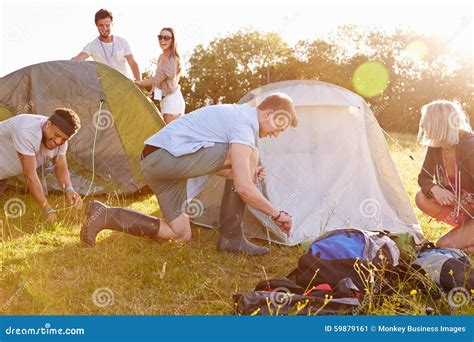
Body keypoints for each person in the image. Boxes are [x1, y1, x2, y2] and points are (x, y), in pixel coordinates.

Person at [81, 93, 297, 255]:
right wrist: (277, 215)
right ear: (269, 114)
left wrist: (240, 172)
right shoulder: (244, 124)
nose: (276, 134)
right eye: (280, 127)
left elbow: (217, 170)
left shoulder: (237, 115)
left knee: (180, 234)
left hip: (160, 165)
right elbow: (243, 187)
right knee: (252, 155)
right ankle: (232, 239)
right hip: (162, 158)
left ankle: (105, 215)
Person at [0, 108, 83, 222]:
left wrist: (69, 189)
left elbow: (60, 167)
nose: (58, 142)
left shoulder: (60, 138)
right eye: (56, 135)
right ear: (48, 124)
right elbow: (30, 174)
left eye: (63, 139)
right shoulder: (26, 131)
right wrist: (47, 209)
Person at [415, 100, 474, 253]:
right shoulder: (436, 146)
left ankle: (468, 242)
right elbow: (423, 177)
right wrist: (434, 188)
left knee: (443, 245)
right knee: (422, 198)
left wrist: (466, 203)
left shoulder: (470, 146)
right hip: (465, 209)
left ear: (439, 124)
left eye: (426, 122)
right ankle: (466, 231)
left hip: (469, 206)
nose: (423, 127)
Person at [71, 9, 141, 81]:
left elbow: (132, 63)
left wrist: (139, 80)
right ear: (97, 26)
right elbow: (78, 58)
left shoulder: (122, 42)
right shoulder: (92, 45)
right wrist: (68, 63)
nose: (105, 28)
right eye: (101, 25)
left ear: (112, 24)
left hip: (125, 83)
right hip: (106, 87)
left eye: (107, 25)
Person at [135, 27, 185, 124]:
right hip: (165, 101)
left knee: (171, 136)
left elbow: (157, 78)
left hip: (173, 101)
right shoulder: (161, 57)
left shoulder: (173, 60)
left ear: (173, 40)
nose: (162, 40)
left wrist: (137, 83)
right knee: (170, 135)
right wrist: (153, 92)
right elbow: (159, 81)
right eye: (160, 37)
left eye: (166, 38)